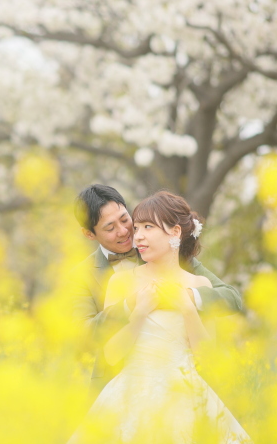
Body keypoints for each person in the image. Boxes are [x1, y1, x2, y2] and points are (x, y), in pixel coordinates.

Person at [68, 190, 251, 443]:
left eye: (127, 221)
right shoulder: (102, 278)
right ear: (90, 234)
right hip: (125, 391)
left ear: (175, 233)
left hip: (185, 394)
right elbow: (88, 337)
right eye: (111, 227)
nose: (129, 233)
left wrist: (188, 304)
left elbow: (228, 300)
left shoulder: (195, 278)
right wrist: (134, 308)